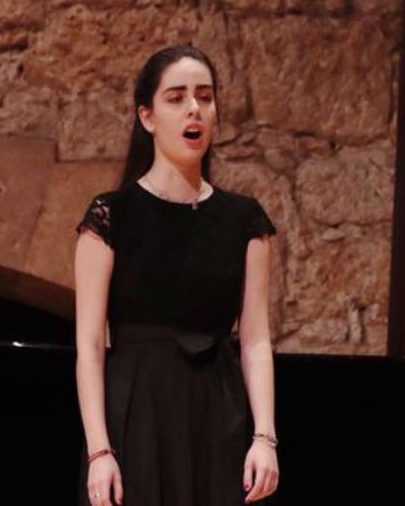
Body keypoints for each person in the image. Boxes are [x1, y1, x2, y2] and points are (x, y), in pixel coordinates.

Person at [74, 44, 280, 506]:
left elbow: (256, 339)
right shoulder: (112, 215)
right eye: (177, 97)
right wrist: (99, 451)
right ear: (147, 117)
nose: (194, 109)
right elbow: (89, 344)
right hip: (137, 417)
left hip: (218, 413)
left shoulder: (244, 219)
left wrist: (264, 438)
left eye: (205, 97)